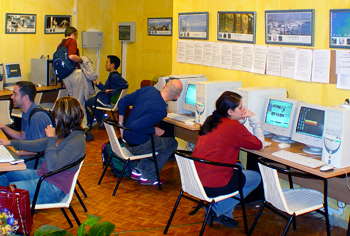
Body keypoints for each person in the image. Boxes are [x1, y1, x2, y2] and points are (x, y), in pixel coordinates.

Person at [192, 91, 264, 228]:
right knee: (255, 177)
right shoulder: (233, 126)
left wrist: (240, 121)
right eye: (241, 108)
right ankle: (216, 211)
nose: (244, 110)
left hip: (196, 180)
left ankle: (225, 214)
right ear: (230, 111)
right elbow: (259, 144)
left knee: (240, 168)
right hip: (213, 184)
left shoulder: (211, 121)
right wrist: (254, 119)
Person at [0, 97, 86, 204]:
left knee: (6, 193)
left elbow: (52, 166)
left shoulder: (76, 141)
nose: (54, 120)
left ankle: (8, 213)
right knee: (4, 175)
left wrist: (51, 138)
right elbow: (38, 144)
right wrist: (11, 143)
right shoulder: (65, 133)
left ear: (63, 118)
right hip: (43, 176)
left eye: (56, 117)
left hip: (54, 188)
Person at [117, 79, 183, 185]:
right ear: (177, 97)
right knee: (172, 143)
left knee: (157, 142)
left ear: (164, 86)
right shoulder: (161, 110)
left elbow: (122, 102)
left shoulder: (148, 89)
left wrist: (120, 125)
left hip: (126, 139)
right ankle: (149, 176)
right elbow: (135, 126)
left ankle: (138, 171)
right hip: (137, 146)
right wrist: (153, 129)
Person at [0, 81, 54, 168]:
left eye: (15, 94)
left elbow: (38, 151)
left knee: (4, 173)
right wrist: (3, 127)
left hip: (38, 163)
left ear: (25, 98)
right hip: (30, 156)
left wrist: (14, 153)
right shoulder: (26, 113)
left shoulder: (37, 118)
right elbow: (23, 137)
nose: (12, 97)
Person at [56, 26, 93, 140]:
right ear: (73, 34)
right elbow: (72, 56)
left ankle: (71, 127)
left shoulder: (60, 45)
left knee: (72, 102)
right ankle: (83, 128)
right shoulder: (71, 41)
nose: (76, 38)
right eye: (76, 36)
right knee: (79, 102)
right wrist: (81, 59)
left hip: (66, 77)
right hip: (75, 74)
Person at [85, 55, 128, 128]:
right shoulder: (113, 75)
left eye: (107, 62)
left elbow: (125, 84)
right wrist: (98, 84)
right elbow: (105, 88)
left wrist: (113, 91)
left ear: (112, 65)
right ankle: (102, 119)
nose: (105, 64)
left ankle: (92, 121)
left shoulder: (114, 76)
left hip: (103, 100)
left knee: (84, 101)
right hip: (102, 99)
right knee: (91, 102)